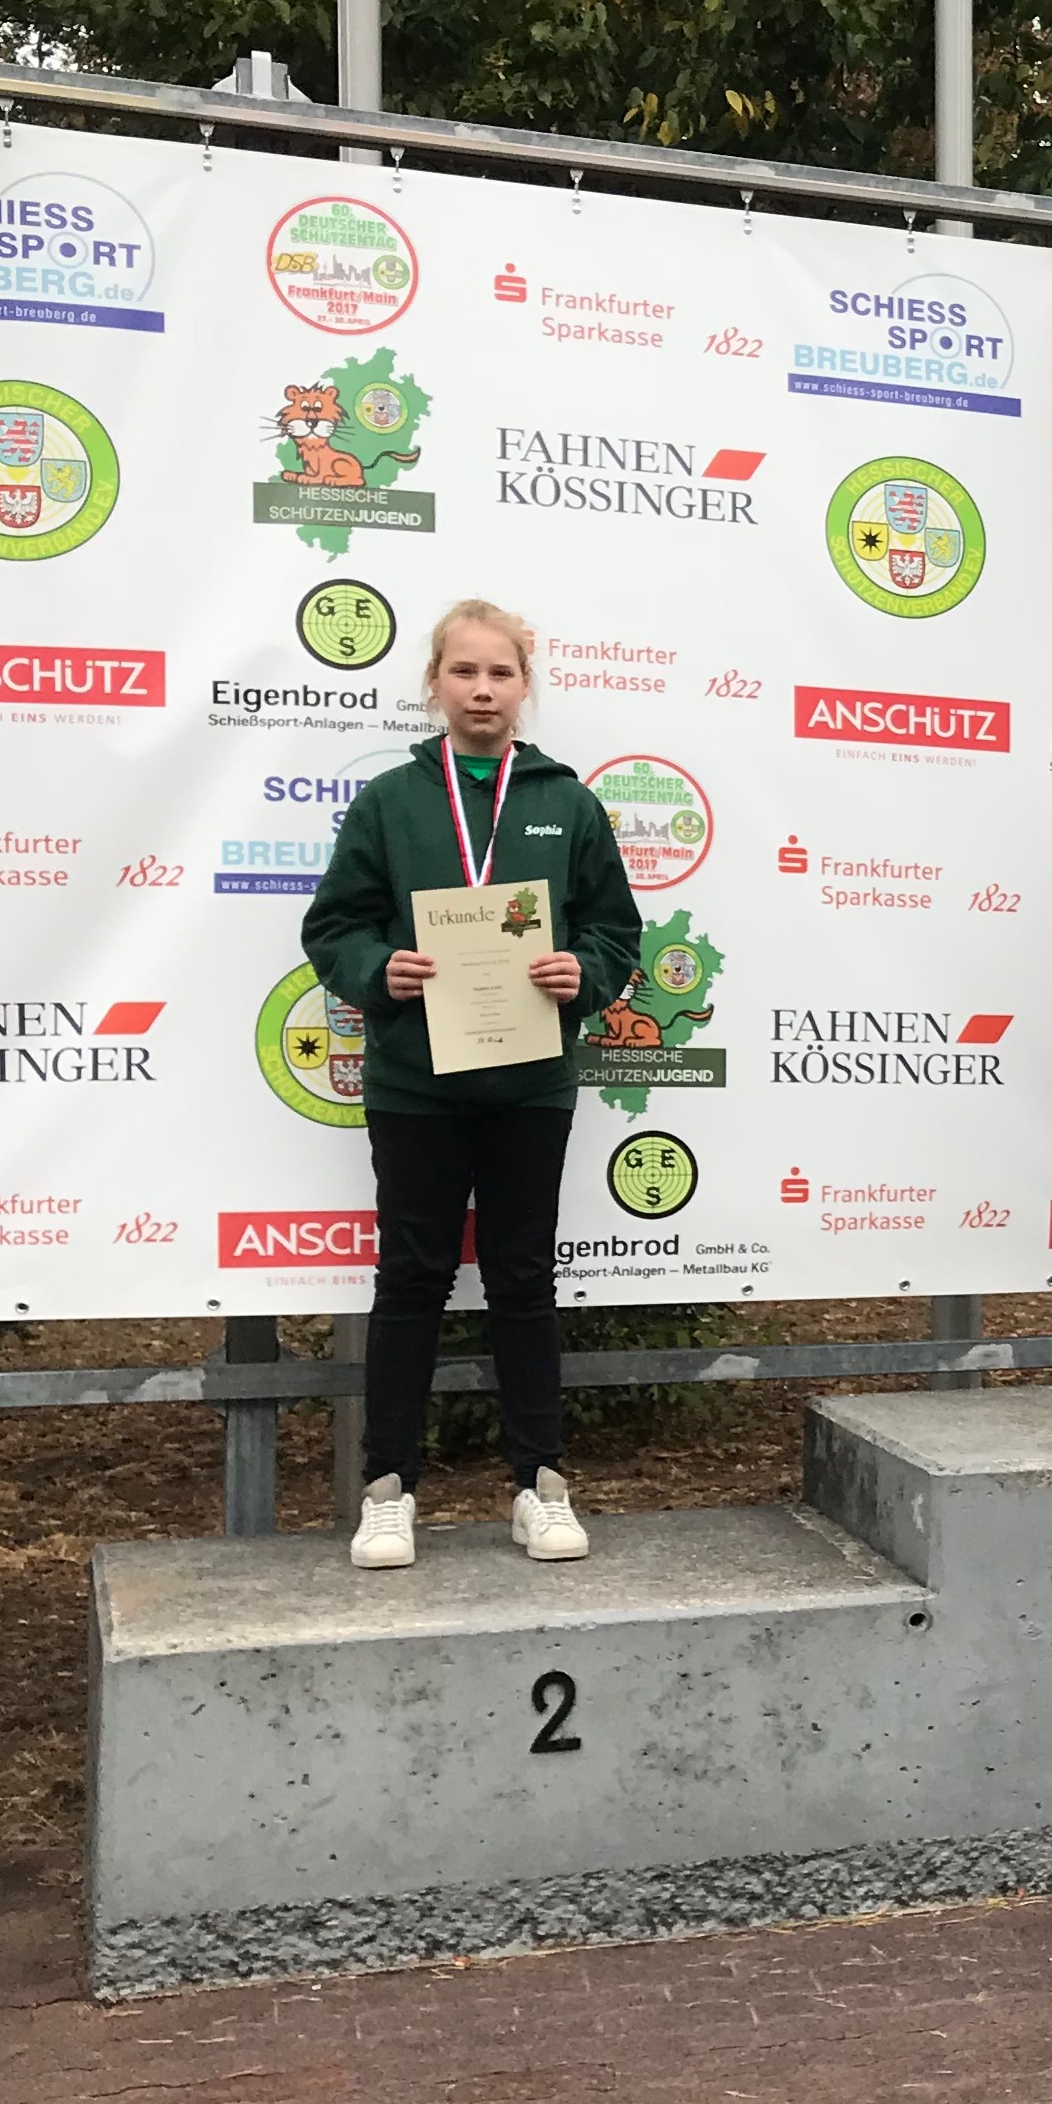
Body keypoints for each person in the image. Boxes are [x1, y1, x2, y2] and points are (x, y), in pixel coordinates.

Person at [302, 598, 643, 1571]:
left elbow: (614, 928)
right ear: (435, 683)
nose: (482, 690)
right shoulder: (393, 801)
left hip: (531, 1080)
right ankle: (388, 1490)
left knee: (522, 1278)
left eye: (500, 673)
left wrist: (586, 972)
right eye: (464, 672)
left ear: (524, 686)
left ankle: (541, 1484)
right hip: (416, 1083)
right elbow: (335, 926)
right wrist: (380, 969)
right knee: (411, 1279)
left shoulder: (567, 803)